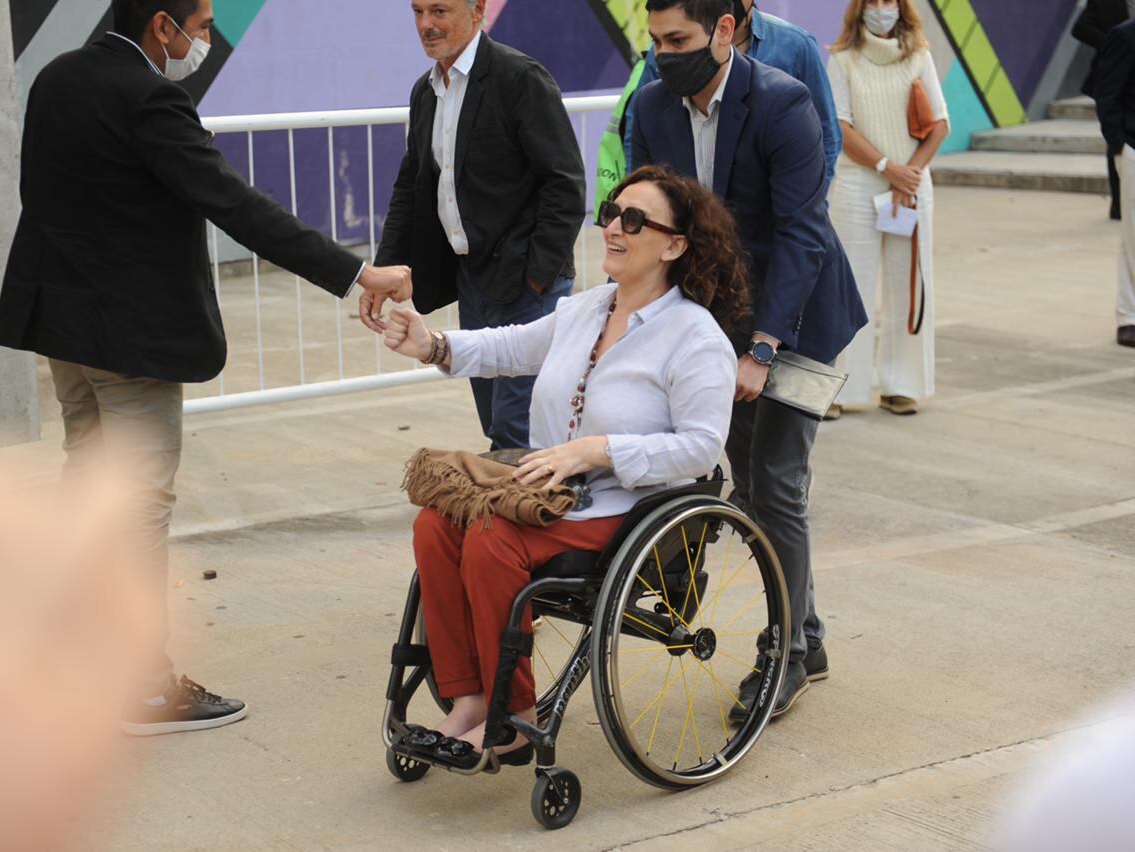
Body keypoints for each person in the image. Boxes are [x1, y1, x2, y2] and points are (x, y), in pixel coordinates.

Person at [0, 0, 412, 735]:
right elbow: (234, 204)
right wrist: (353, 274)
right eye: (204, 24)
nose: (206, 40)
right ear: (163, 25)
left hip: (63, 328)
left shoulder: (57, 78)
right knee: (136, 506)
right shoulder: (152, 96)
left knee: (88, 489)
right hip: (129, 340)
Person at [377, 166, 749, 767]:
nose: (613, 228)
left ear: (675, 245)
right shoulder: (588, 308)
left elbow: (702, 446)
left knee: (492, 541)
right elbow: (511, 345)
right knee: (437, 525)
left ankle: (514, 717)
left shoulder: (695, 336)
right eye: (611, 211)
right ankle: (470, 699)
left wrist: (598, 451)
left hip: (627, 507)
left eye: (634, 220)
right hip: (546, 493)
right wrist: (433, 345)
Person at [630, 0, 868, 717]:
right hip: (718, 321)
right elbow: (650, 223)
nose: (663, 55)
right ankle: (811, 633)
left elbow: (803, 234)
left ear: (725, 31)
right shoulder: (652, 105)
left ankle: (786, 655)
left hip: (800, 318)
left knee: (778, 483)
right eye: (655, 41)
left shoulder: (781, 102)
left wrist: (763, 347)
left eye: (678, 40)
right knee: (750, 483)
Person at [364, 0, 587, 451]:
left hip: (527, 286)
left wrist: (537, 277)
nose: (427, 25)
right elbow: (412, 185)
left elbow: (564, 184)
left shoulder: (519, 78)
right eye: (418, 12)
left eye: (440, 11)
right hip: (475, 283)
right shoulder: (425, 92)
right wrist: (385, 268)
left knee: (517, 428)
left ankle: (531, 519)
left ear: (478, 10)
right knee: (495, 421)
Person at [826, 0, 950, 416]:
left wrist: (908, 175)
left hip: (910, 187)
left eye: (890, 0)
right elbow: (840, 126)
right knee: (851, 287)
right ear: (859, 9)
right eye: (873, 1)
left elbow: (940, 124)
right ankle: (841, 389)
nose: (882, 8)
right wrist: (886, 167)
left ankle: (903, 385)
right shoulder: (842, 60)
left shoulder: (919, 55)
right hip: (859, 183)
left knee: (908, 283)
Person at [601, 0, 842, 207]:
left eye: (678, 41)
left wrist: (808, 200)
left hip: (771, 216)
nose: (666, 49)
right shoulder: (666, 53)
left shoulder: (795, 46)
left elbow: (826, 134)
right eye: (661, 41)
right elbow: (643, 127)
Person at [1095, 17, 1135, 348]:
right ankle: (1129, 319)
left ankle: (1129, 315)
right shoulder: (1123, 37)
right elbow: (1106, 94)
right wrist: (1120, 145)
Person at [1073, 0, 1133, 222]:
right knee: (1116, 141)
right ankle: (1119, 204)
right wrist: (1115, 42)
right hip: (1114, 76)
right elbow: (1080, 28)